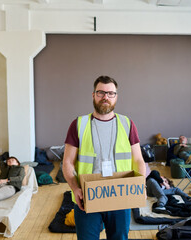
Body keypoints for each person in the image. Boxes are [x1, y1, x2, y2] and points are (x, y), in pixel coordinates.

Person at [62, 75, 146, 240]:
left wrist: (140, 185)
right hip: (87, 196)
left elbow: (138, 160)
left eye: (110, 93)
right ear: (93, 95)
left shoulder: (127, 123)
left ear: (116, 97)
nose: (105, 97)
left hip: (120, 195)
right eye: (101, 93)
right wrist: (75, 188)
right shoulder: (78, 124)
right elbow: (67, 162)